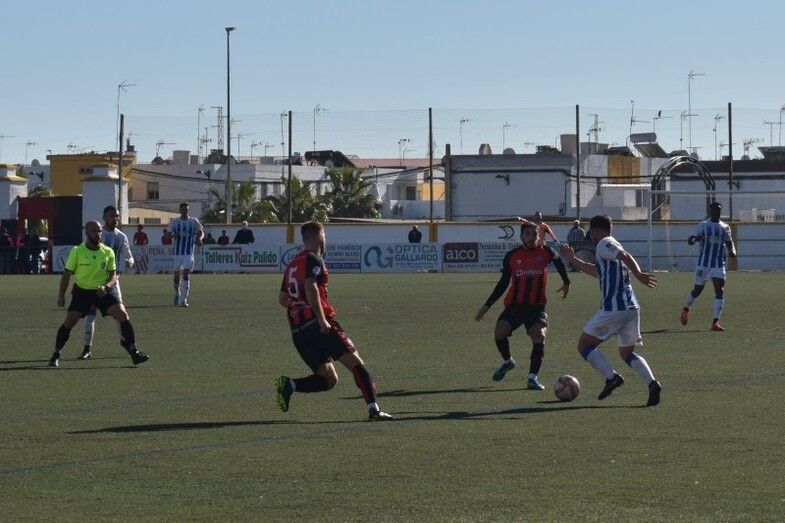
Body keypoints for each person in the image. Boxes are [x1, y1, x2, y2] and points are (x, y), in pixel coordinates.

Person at [275, 221, 392, 421]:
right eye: (325, 235)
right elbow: (311, 286)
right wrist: (321, 319)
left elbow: (283, 299)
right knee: (357, 364)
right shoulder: (313, 259)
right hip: (318, 326)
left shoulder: (292, 264)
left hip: (298, 332)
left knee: (329, 379)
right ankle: (374, 409)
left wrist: (300, 307)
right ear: (319, 236)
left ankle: (289, 385)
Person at [560, 215, 661, 407]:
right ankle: (653, 384)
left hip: (615, 308)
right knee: (626, 353)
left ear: (597, 229)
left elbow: (625, 256)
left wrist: (639, 274)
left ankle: (611, 377)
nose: (590, 235)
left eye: (590, 231)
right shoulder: (609, 247)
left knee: (584, 345)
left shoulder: (605, 243)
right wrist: (572, 259)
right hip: (631, 308)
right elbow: (597, 271)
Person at [475, 221, 571, 390]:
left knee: (539, 335)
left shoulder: (546, 251)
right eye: (527, 234)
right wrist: (487, 306)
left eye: (534, 234)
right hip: (515, 306)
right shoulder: (512, 256)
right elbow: (503, 283)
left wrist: (566, 282)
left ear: (538, 235)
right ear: (521, 236)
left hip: (536, 308)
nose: (531, 238)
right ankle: (508, 362)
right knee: (499, 332)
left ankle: (532, 378)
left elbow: (559, 263)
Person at [48, 220, 148, 368]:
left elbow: (113, 275)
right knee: (70, 321)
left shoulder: (108, 252)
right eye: (94, 231)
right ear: (87, 233)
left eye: (100, 231)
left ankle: (134, 351)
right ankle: (56, 354)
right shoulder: (77, 251)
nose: (98, 234)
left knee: (122, 314)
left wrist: (106, 287)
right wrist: (61, 295)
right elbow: (67, 274)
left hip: (103, 291)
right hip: (82, 291)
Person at [81, 205, 135, 360]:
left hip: (113, 282)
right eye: (112, 216)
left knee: (120, 314)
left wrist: (130, 260)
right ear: (104, 217)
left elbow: (128, 253)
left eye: (116, 216)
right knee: (90, 315)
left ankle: (126, 342)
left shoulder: (121, 236)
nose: (115, 218)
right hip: (93, 281)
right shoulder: (98, 233)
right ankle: (87, 349)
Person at [681, 201, 737, 331]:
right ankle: (685, 309)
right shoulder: (703, 225)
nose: (716, 212)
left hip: (718, 264)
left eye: (718, 210)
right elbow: (695, 237)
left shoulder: (725, 227)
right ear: (710, 212)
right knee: (697, 290)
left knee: (720, 290)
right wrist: (692, 240)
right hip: (703, 265)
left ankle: (715, 322)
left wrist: (732, 250)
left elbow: (729, 241)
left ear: (720, 212)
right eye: (714, 210)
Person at [168, 202, 204, 307]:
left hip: (188, 252)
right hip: (177, 253)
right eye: (183, 209)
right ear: (180, 210)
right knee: (176, 277)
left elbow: (201, 232)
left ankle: (184, 299)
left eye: (186, 209)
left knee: (186, 274)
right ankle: (177, 294)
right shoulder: (175, 222)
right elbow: (168, 236)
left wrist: (200, 239)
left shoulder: (193, 221)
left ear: (188, 210)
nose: (185, 211)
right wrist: (175, 234)